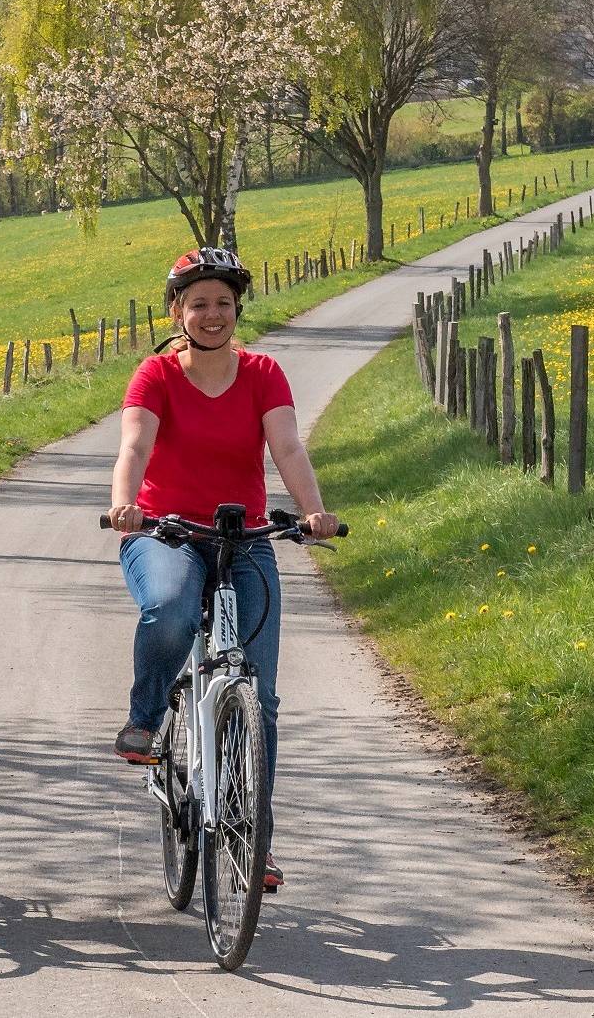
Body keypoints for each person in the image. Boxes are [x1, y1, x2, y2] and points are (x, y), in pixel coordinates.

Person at [104, 246, 340, 892]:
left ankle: (252, 836)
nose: (212, 314)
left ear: (238, 309)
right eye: (198, 302)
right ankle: (147, 717)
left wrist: (313, 512)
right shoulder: (154, 375)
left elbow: (287, 444)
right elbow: (134, 445)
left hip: (245, 540)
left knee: (258, 695)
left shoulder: (263, 372)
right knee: (174, 606)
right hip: (166, 531)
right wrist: (124, 504)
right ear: (177, 309)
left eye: (223, 303)